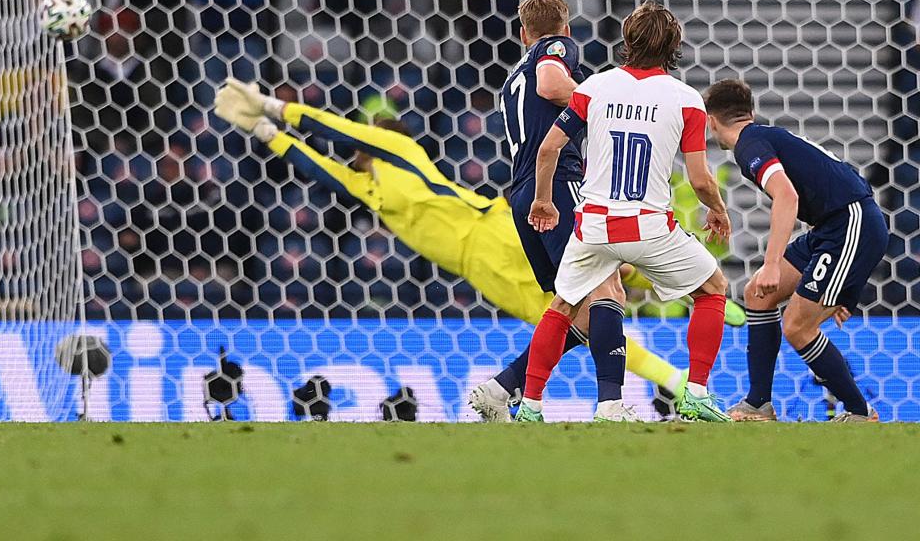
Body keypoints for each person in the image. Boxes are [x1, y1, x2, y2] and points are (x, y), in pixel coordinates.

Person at [212, 82, 686, 417]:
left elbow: (340, 133)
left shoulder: (401, 152)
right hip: (479, 268)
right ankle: (530, 395)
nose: (355, 155)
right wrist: (266, 135)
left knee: (596, 283)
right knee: (571, 323)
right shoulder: (368, 188)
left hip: (494, 232)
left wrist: (276, 108)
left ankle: (675, 305)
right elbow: (320, 168)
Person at [471, 0, 743, 423]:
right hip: (644, 223)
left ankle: (525, 401)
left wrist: (541, 198)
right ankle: (679, 395)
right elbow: (699, 178)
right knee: (710, 289)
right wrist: (719, 211)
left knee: (565, 305)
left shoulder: (592, 88)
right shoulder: (685, 98)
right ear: (674, 49)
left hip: (576, 214)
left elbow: (548, 147)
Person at [704, 79, 888, 422]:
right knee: (757, 294)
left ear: (710, 120)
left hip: (849, 224)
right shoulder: (763, 136)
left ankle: (860, 412)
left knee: (797, 327)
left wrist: (773, 263)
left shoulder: (749, 145)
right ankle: (758, 404)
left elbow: (788, 196)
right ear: (750, 112)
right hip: (835, 226)